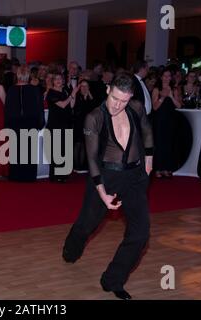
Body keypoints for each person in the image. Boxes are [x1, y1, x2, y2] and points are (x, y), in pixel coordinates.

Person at [62, 73, 153, 300]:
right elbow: (92, 159)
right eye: (114, 98)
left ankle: (113, 280)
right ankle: (71, 248)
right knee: (87, 224)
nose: (117, 105)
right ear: (107, 90)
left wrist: (149, 162)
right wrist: (102, 193)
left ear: (131, 96)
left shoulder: (137, 107)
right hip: (105, 177)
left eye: (123, 100)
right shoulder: (94, 117)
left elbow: (147, 131)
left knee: (141, 234)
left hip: (134, 177)